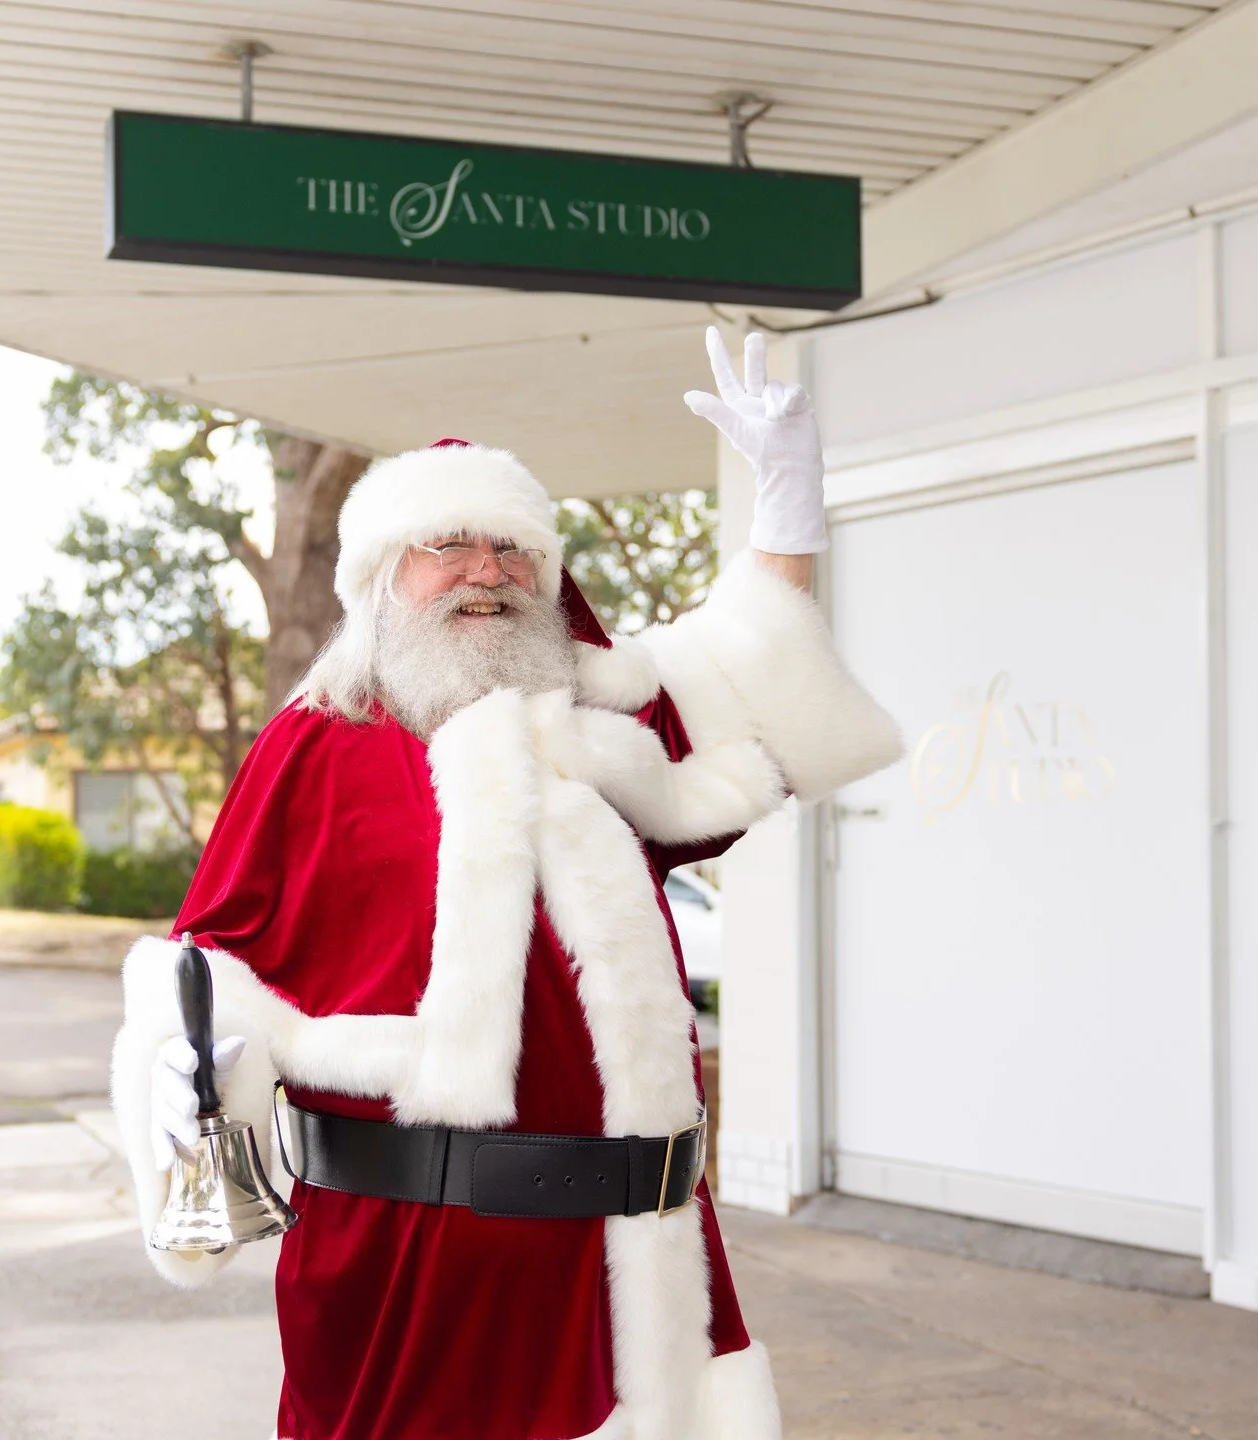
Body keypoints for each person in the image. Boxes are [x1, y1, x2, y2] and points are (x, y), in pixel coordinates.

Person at [111, 328, 902, 1440]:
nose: (488, 571)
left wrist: (786, 506)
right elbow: (203, 974)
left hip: (625, 1270)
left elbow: (750, 679)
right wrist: (186, 1083)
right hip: (401, 1264)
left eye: (515, 549)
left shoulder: (599, 722)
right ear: (387, 578)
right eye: (449, 545)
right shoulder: (313, 742)